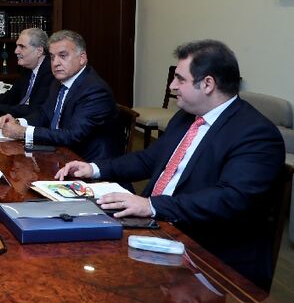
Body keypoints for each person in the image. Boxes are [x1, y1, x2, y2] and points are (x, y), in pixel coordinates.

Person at [55, 40, 285, 290]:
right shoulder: (187, 116)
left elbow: (230, 199)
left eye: (180, 79)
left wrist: (151, 205)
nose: (172, 86)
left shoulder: (255, 134)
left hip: (205, 256)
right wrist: (94, 168)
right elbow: (149, 159)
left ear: (208, 84)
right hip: (154, 228)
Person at [0, 30, 120, 162]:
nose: (55, 63)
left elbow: (72, 135)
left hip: (87, 165)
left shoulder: (95, 90)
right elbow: (44, 114)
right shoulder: (59, 82)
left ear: (82, 58)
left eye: (63, 56)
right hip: (58, 154)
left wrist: (23, 132)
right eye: (52, 57)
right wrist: (19, 122)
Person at [0, 28, 54, 117]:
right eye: (17, 46)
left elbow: (34, 109)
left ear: (39, 51)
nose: (16, 51)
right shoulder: (28, 68)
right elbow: (11, 97)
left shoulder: (50, 72)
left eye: (22, 47)